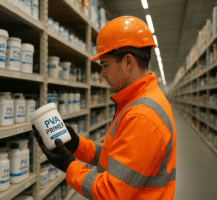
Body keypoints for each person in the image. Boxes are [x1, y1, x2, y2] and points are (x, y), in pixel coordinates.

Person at [33, 16, 176, 200]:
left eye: (105, 65)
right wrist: (76, 144)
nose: (101, 75)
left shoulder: (143, 115)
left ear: (128, 62)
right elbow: (116, 158)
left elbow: (111, 193)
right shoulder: (138, 101)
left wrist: (69, 166)